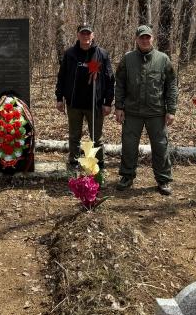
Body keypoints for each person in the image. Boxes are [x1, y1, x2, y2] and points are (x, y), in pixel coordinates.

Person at [114, 25, 178, 196]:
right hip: (132, 111)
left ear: (152, 39)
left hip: (156, 112)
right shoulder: (127, 59)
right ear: (136, 39)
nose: (145, 40)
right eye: (141, 37)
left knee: (160, 146)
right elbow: (119, 83)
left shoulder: (163, 59)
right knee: (128, 146)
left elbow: (171, 85)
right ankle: (127, 176)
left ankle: (163, 179)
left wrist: (171, 109)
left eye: (147, 37)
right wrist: (119, 107)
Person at [55, 24, 114, 171]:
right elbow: (61, 77)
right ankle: (74, 163)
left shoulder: (101, 54)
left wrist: (108, 102)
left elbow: (109, 80)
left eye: (88, 34)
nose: (85, 36)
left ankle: (98, 166)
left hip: (95, 104)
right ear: (78, 35)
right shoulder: (70, 54)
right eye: (83, 34)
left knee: (96, 138)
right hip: (74, 104)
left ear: (92, 36)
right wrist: (59, 98)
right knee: (74, 136)